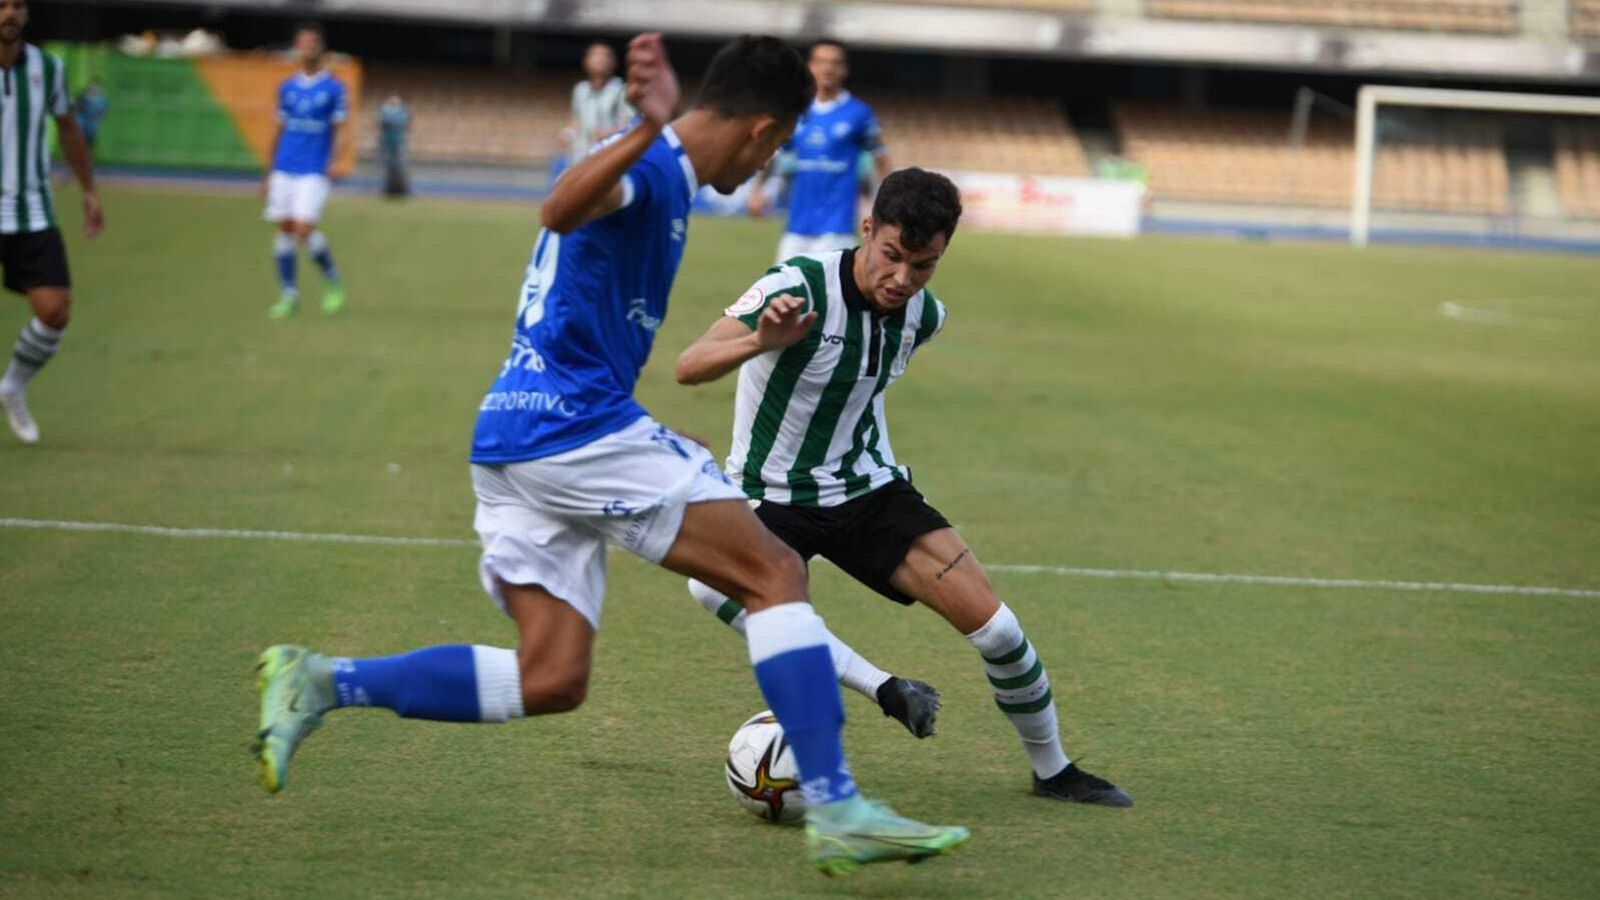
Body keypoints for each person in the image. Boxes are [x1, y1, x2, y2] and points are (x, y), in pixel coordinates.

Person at [253, 34, 970, 876]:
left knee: (552, 675)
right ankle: (840, 804)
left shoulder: (669, 179)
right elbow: (559, 208)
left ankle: (321, 681)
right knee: (775, 571)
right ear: (760, 128)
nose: (770, 166)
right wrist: (647, 130)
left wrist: (652, 434)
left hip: (521, 434)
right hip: (572, 429)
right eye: (776, 147)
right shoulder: (657, 165)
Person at [675, 167, 1133, 808]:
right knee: (709, 586)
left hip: (868, 491)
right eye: (892, 256)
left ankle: (1053, 771)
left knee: (999, 631)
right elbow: (688, 364)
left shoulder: (925, 316)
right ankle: (881, 686)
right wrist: (759, 340)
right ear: (869, 230)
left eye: (923, 265)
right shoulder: (798, 284)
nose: (902, 279)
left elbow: (859, 388)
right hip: (772, 496)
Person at [0, 0, 105, 445]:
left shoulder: (49, 68)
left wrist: (88, 190)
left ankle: (13, 386)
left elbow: (68, 128)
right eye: (2, 5)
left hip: (32, 209)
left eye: (17, 6)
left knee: (54, 311)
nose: (9, 13)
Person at [747, 40, 890, 263]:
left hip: (838, 228)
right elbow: (773, 152)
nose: (828, 68)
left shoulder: (859, 113)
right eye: (821, 61)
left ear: (844, 70)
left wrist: (888, 204)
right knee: (784, 292)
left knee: (832, 295)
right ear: (810, 67)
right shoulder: (797, 111)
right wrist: (757, 191)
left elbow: (881, 158)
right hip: (796, 226)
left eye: (835, 63)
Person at [262, 22, 348, 319]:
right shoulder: (287, 87)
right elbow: (279, 129)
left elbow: (341, 130)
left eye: (313, 43)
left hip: (314, 168)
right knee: (284, 229)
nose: (308, 47)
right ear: (297, 48)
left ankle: (333, 279)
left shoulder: (334, 88)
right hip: (284, 166)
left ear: (320, 48)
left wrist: (335, 161)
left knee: (303, 228)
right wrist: (269, 171)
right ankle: (289, 295)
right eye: (303, 43)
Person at [568, 41, 634, 158]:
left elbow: (631, 127)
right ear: (586, 61)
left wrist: (610, 133)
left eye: (605, 56)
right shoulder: (580, 90)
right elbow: (576, 120)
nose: (600, 59)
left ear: (614, 63)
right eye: (595, 55)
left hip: (609, 157)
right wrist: (569, 134)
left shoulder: (621, 91)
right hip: (582, 157)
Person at [377, 93, 410, 198]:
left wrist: (390, 121)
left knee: (401, 167)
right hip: (387, 143)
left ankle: (402, 189)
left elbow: (401, 122)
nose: (394, 102)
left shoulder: (403, 111)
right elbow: (382, 122)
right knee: (388, 168)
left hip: (399, 143)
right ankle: (389, 189)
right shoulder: (385, 110)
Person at [73, 77, 109, 152]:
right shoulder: (83, 96)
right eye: (92, 85)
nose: (94, 87)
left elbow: (103, 113)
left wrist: (98, 118)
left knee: (89, 147)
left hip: (92, 128)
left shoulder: (103, 99)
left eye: (96, 86)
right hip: (80, 126)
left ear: (100, 87)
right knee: (78, 147)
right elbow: (76, 107)